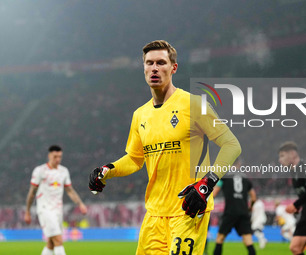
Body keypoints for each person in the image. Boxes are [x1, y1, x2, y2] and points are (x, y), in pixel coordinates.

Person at [88, 40, 241, 255]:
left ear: (173, 68)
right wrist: (108, 170)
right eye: (149, 63)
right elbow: (134, 158)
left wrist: (207, 184)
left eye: (161, 62)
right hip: (154, 214)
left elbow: (231, 145)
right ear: (143, 68)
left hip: (188, 209)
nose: (154, 68)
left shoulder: (195, 105)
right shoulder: (140, 114)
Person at [25, 145, 87, 255]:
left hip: (57, 210)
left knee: (51, 243)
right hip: (45, 210)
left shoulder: (64, 171)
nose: (57, 159)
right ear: (49, 156)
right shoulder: (40, 171)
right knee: (58, 239)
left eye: (60, 157)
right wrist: (28, 211)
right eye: (55, 157)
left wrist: (80, 204)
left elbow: (70, 190)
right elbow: (32, 192)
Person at [212, 158, 257, 255]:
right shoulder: (245, 178)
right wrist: (250, 207)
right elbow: (253, 197)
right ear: (239, 164)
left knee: (220, 238)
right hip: (243, 212)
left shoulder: (224, 177)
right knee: (248, 240)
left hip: (230, 211)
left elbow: (214, 193)